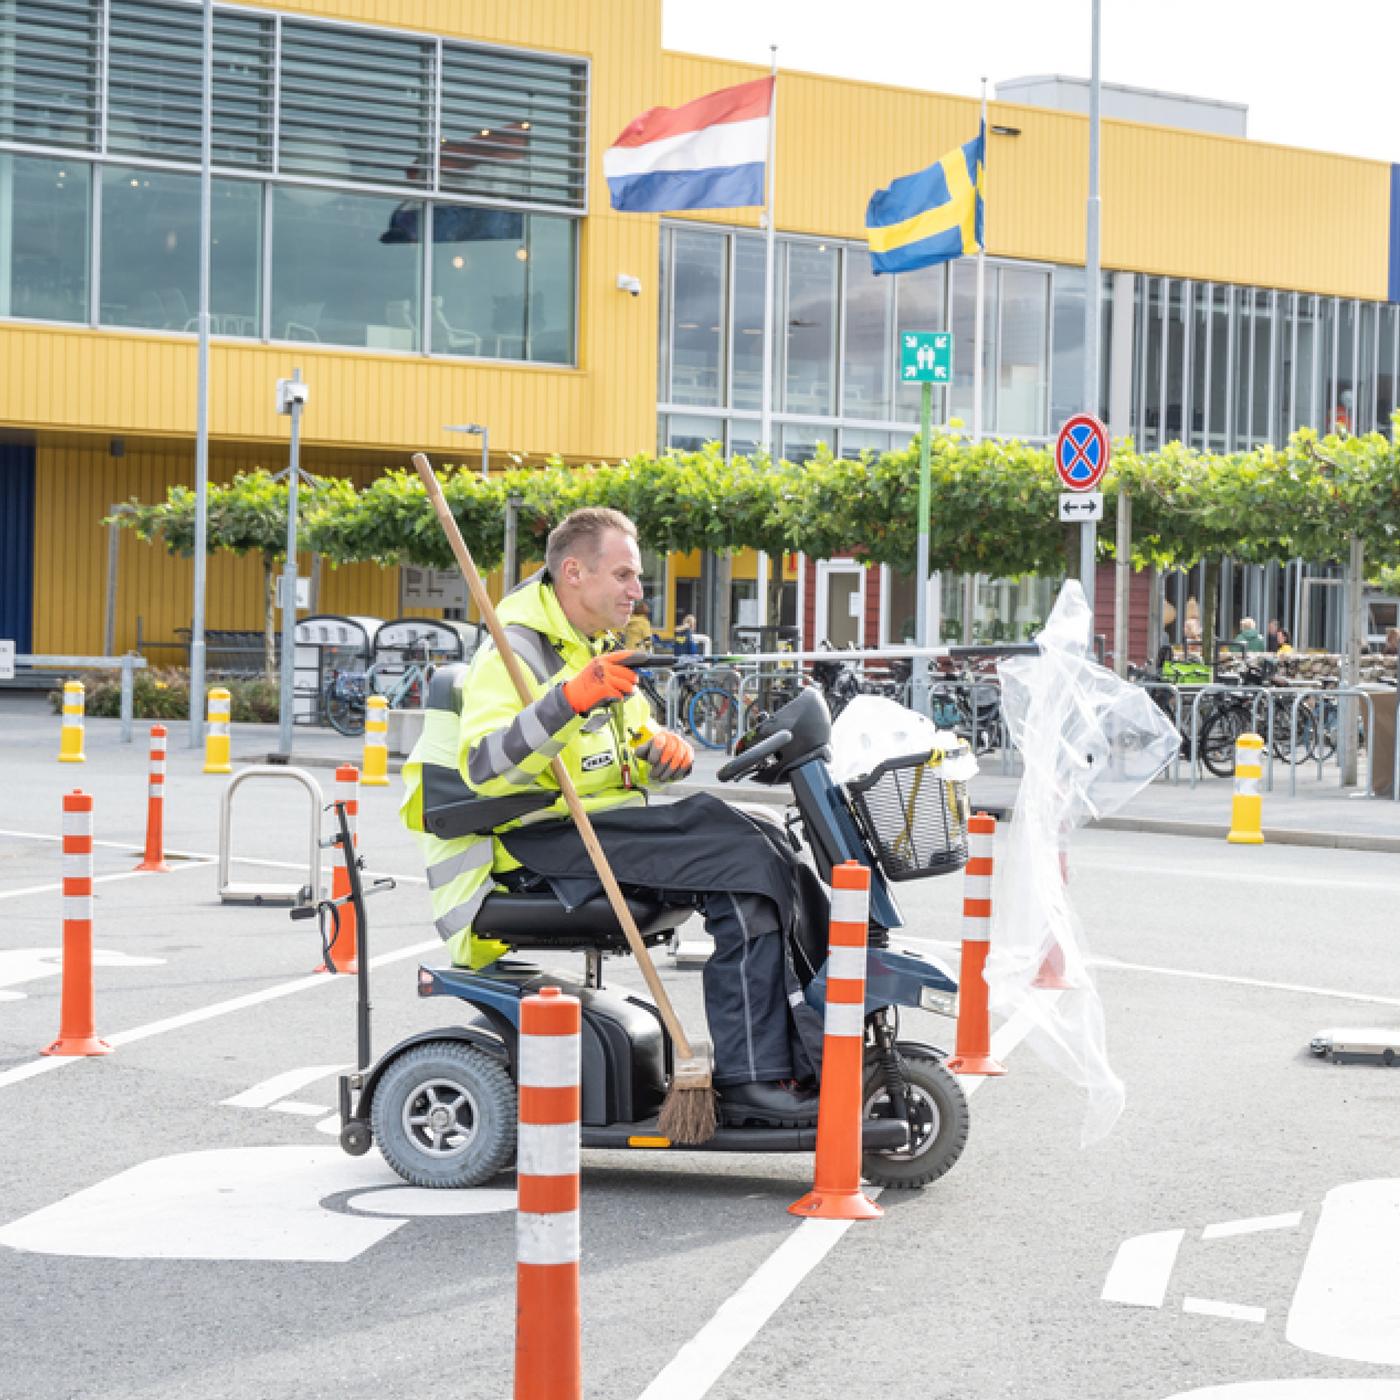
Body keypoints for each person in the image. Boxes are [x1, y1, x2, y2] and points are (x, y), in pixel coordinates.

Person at [400, 507, 825, 1126]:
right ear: (574, 572)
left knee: (765, 841)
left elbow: (624, 757)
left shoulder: (596, 648)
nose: (638, 591)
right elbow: (485, 769)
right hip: (536, 842)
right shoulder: (514, 652)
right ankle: (753, 1078)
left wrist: (663, 756)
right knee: (744, 861)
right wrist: (568, 700)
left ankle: (799, 1050)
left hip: (602, 827)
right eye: (624, 575)